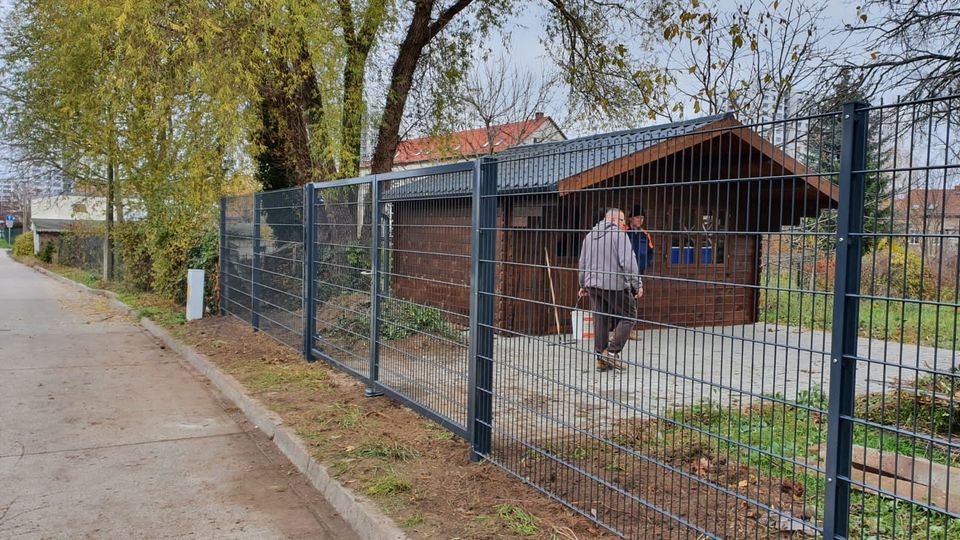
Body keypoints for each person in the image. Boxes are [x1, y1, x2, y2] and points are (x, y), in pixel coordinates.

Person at [578, 208, 644, 372]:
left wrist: (583, 285)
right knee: (629, 314)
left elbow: (582, 264)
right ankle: (612, 353)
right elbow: (629, 263)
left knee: (600, 319)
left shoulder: (589, 236)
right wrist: (637, 284)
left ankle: (600, 358)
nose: (624, 225)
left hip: (593, 284)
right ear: (614, 220)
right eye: (622, 221)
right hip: (613, 284)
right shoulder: (619, 236)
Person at [627, 206, 654, 340]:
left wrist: (645, 264)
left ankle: (630, 330)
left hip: (639, 273)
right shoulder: (624, 232)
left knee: (634, 301)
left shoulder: (645, 234)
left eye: (642, 218)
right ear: (630, 218)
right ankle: (616, 330)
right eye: (637, 217)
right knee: (621, 300)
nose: (640, 220)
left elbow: (650, 252)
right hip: (624, 273)